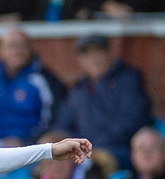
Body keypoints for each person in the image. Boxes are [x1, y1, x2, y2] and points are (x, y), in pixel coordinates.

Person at [52, 35, 153, 170]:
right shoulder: (78, 90)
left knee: (97, 162)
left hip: (120, 150)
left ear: (109, 53)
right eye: (88, 54)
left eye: (98, 52)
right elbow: (62, 125)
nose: (94, 59)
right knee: (50, 160)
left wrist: (93, 147)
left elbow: (132, 121)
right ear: (80, 60)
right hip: (85, 153)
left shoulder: (128, 80)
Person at [0, 26, 64, 148]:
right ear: (1, 50)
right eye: (11, 46)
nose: (16, 51)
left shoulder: (42, 79)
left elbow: (53, 118)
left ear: (30, 49)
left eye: (21, 46)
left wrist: (29, 141)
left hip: (24, 146)